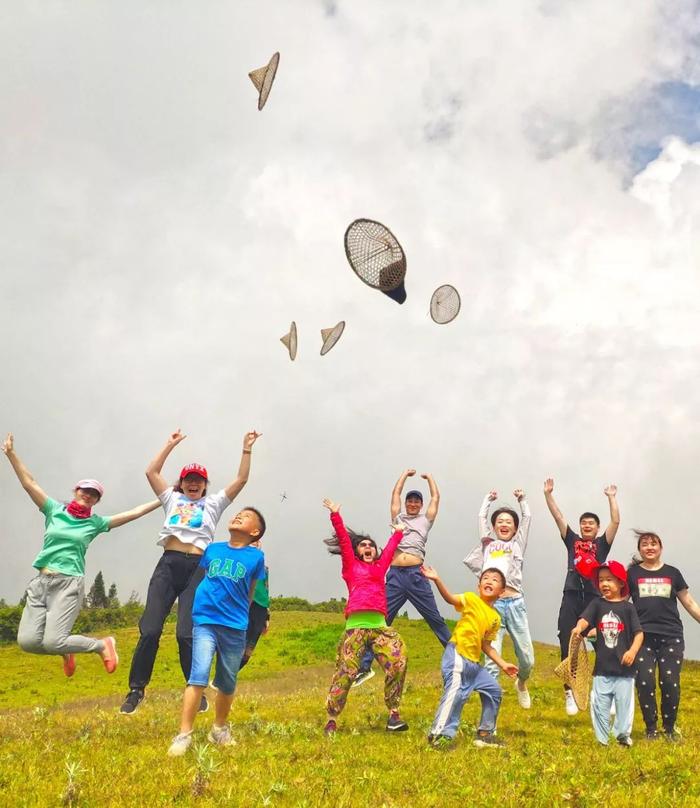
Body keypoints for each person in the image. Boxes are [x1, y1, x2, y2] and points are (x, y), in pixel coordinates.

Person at [120, 428, 261, 716]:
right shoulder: (172, 499)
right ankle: (136, 690)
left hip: (198, 569)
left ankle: (194, 689)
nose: (193, 484)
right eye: (188, 479)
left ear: (204, 485)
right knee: (150, 629)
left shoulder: (213, 504)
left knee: (187, 633)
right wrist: (169, 444)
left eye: (198, 480)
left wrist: (246, 449)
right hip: (168, 564)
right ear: (182, 483)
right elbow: (151, 471)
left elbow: (241, 480)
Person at [2, 433, 159, 677]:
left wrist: (165, 498)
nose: (88, 495)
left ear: (96, 501)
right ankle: (67, 651)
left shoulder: (95, 523)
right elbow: (29, 483)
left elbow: (134, 513)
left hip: (68, 583)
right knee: (28, 642)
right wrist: (11, 454)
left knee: (54, 640)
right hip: (41, 582)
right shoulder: (54, 510)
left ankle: (101, 645)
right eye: (85, 490)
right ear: (76, 491)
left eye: (94, 494)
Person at [167, 507, 267, 756]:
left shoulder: (256, 558)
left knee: (227, 681)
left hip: (234, 625)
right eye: (237, 514)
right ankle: (183, 734)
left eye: (245, 517)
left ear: (255, 532)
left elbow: (252, 591)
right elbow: (204, 579)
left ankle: (219, 729)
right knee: (197, 675)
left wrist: (248, 616)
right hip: (205, 621)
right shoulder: (213, 549)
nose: (237, 516)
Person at [354, 469, 450, 687]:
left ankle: (461, 659)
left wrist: (431, 479)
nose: (413, 504)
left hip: (416, 574)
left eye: (417, 501)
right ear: (407, 503)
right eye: (411, 501)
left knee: (434, 618)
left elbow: (436, 498)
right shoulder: (398, 517)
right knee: (380, 619)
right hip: (396, 576)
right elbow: (395, 494)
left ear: (421, 505)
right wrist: (405, 475)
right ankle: (364, 667)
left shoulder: (425, 521)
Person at [322, 498, 408, 735]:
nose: (368, 547)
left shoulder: (380, 568)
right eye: (363, 545)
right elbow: (343, 541)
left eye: (371, 545)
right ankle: (331, 719)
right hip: (356, 628)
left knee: (398, 661)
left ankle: (393, 714)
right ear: (357, 551)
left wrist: (398, 533)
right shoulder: (351, 566)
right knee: (346, 672)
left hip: (380, 627)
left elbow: (390, 550)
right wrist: (336, 516)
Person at [543, 477, 620, 715]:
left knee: (606, 641)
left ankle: (607, 690)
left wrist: (611, 498)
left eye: (591, 524)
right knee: (568, 640)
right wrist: (548, 495)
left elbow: (616, 521)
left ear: (597, 528)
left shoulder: (602, 545)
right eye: (584, 523)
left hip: (596, 598)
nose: (587, 526)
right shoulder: (572, 541)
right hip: (572, 595)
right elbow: (558, 517)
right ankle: (569, 691)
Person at [421, 565, 518, 749]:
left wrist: (503, 664)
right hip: (457, 654)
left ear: (502, 591)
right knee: (455, 693)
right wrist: (437, 579)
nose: (489, 581)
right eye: (485, 578)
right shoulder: (471, 599)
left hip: (474, 664)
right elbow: (450, 599)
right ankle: (439, 735)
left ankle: (485, 734)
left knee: (494, 691)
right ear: (478, 585)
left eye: (495, 580)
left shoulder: (495, 618)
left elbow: (486, 645)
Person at [627, 530, 700, 741]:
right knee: (644, 681)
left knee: (670, 681)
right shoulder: (632, 574)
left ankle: (669, 729)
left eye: (653, 544)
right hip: (641, 637)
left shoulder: (673, 573)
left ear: (661, 547)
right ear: (640, 549)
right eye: (645, 544)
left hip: (671, 636)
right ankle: (651, 729)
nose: (649, 547)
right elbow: (619, 601)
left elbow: (689, 602)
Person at [464, 488, 534, 709]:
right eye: (500, 521)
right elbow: (481, 519)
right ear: (494, 527)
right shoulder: (487, 544)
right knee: (492, 664)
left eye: (509, 522)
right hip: (492, 607)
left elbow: (527, 519)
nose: (504, 524)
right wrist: (487, 500)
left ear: (514, 528)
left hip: (515, 604)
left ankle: (521, 683)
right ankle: (489, 721)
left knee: (527, 659)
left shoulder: (517, 545)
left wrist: (522, 500)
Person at [572, 561, 643, 747]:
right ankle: (603, 740)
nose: (604, 584)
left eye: (609, 580)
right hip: (601, 669)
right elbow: (584, 620)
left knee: (624, 706)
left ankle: (621, 737)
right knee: (599, 706)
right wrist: (578, 628)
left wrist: (633, 651)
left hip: (625, 670)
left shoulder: (628, 608)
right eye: (601, 580)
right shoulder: (597, 604)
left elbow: (639, 633)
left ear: (620, 583)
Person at [239, 540, 270, 669]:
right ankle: (224, 675)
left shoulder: (264, 568)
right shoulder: (240, 563)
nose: (256, 542)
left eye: (257, 541)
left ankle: (229, 676)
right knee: (239, 641)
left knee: (250, 647)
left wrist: (267, 615)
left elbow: (266, 588)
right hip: (245, 604)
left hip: (261, 607)